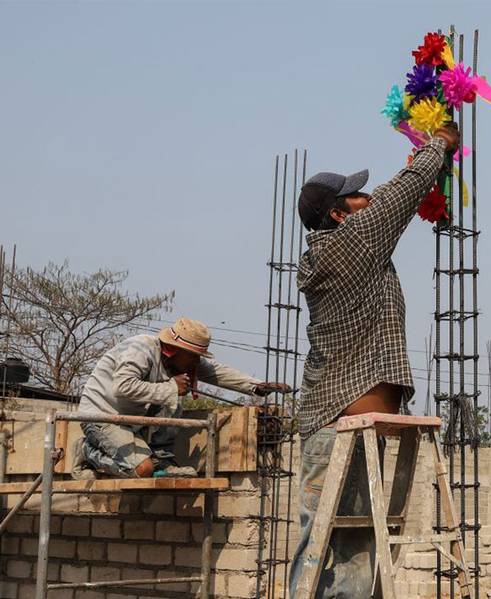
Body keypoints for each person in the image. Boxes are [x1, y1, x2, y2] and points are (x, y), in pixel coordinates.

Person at [289, 123, 461, 597]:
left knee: (352, 553)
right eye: (356, 196)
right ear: (339, 214)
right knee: (329, 555)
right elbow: (401, 192)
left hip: (348, 427)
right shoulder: (352, 242)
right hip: (337, 424)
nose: (366, 198)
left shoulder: (346, 245)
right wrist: (439, 144)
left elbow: (392, 194)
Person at [73, 317, 289, 479]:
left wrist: (256, 386)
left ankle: (162, 460)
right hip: (102, 416)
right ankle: (87, 451)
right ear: (175, 349)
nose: (196, 361)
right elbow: (122, 387)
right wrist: (170, 387)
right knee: (142, 470)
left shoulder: (182, 360)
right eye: (194, 356)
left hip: (131, 419)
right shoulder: (140, 349)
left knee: (175, 395)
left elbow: (215, 372)